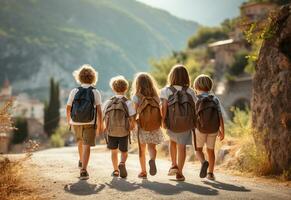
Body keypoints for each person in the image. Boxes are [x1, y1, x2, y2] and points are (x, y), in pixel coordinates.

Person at [66, 64, 103, 180]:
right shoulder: (95, 92)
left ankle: (81, 160)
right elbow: (99, 111)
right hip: (90, 121)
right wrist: (100, 125)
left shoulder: (74, 91)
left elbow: (68, 108)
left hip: (76, 121)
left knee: (80, 142)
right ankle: (83, 170)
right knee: (87, 146)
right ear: (93, 77)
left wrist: (69, 121)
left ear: (79, 77)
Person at [160, 65, 196, 181]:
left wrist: (163, 120)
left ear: (172, 76)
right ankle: (179, 172)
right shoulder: (190, 91)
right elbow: (194, 107)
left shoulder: (166, 90)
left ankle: (174, 164)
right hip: (186, 123)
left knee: (172, 141)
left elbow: (164, 107)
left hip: (172, 122)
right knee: (182, 147)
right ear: (186, 77)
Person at [131, 72, 164, 179]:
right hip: (154, 126)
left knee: (142, 149)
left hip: (142, 126)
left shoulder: (137, 97)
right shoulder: (156, 97)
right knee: (152, 147)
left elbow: (134, 112)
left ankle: (143, 171)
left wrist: (132, 123)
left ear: (137, 84)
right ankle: (152, 160)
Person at [193, 74, 225, 181]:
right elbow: (220, 116)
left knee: (198, 149)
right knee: (211, 151)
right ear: (209, 86)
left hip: (199, 129)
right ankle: (210, 173)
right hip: (213, 129)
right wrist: (222, 131)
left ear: (196, 86)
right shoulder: (214, 99)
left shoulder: (196, 99)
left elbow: (193, 116)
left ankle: (203, 162)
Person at [103, 76, 135, 178]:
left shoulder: (108, 102)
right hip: (124, 131)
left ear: (113, 88)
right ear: (126, 89)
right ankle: (122, 163)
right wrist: (132, 126)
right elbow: (132, 118)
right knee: (124, 151)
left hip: (111, 131)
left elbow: (104, 115)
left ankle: (116, 170)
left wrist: (104, 127)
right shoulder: (128, 102)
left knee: (114, 152)